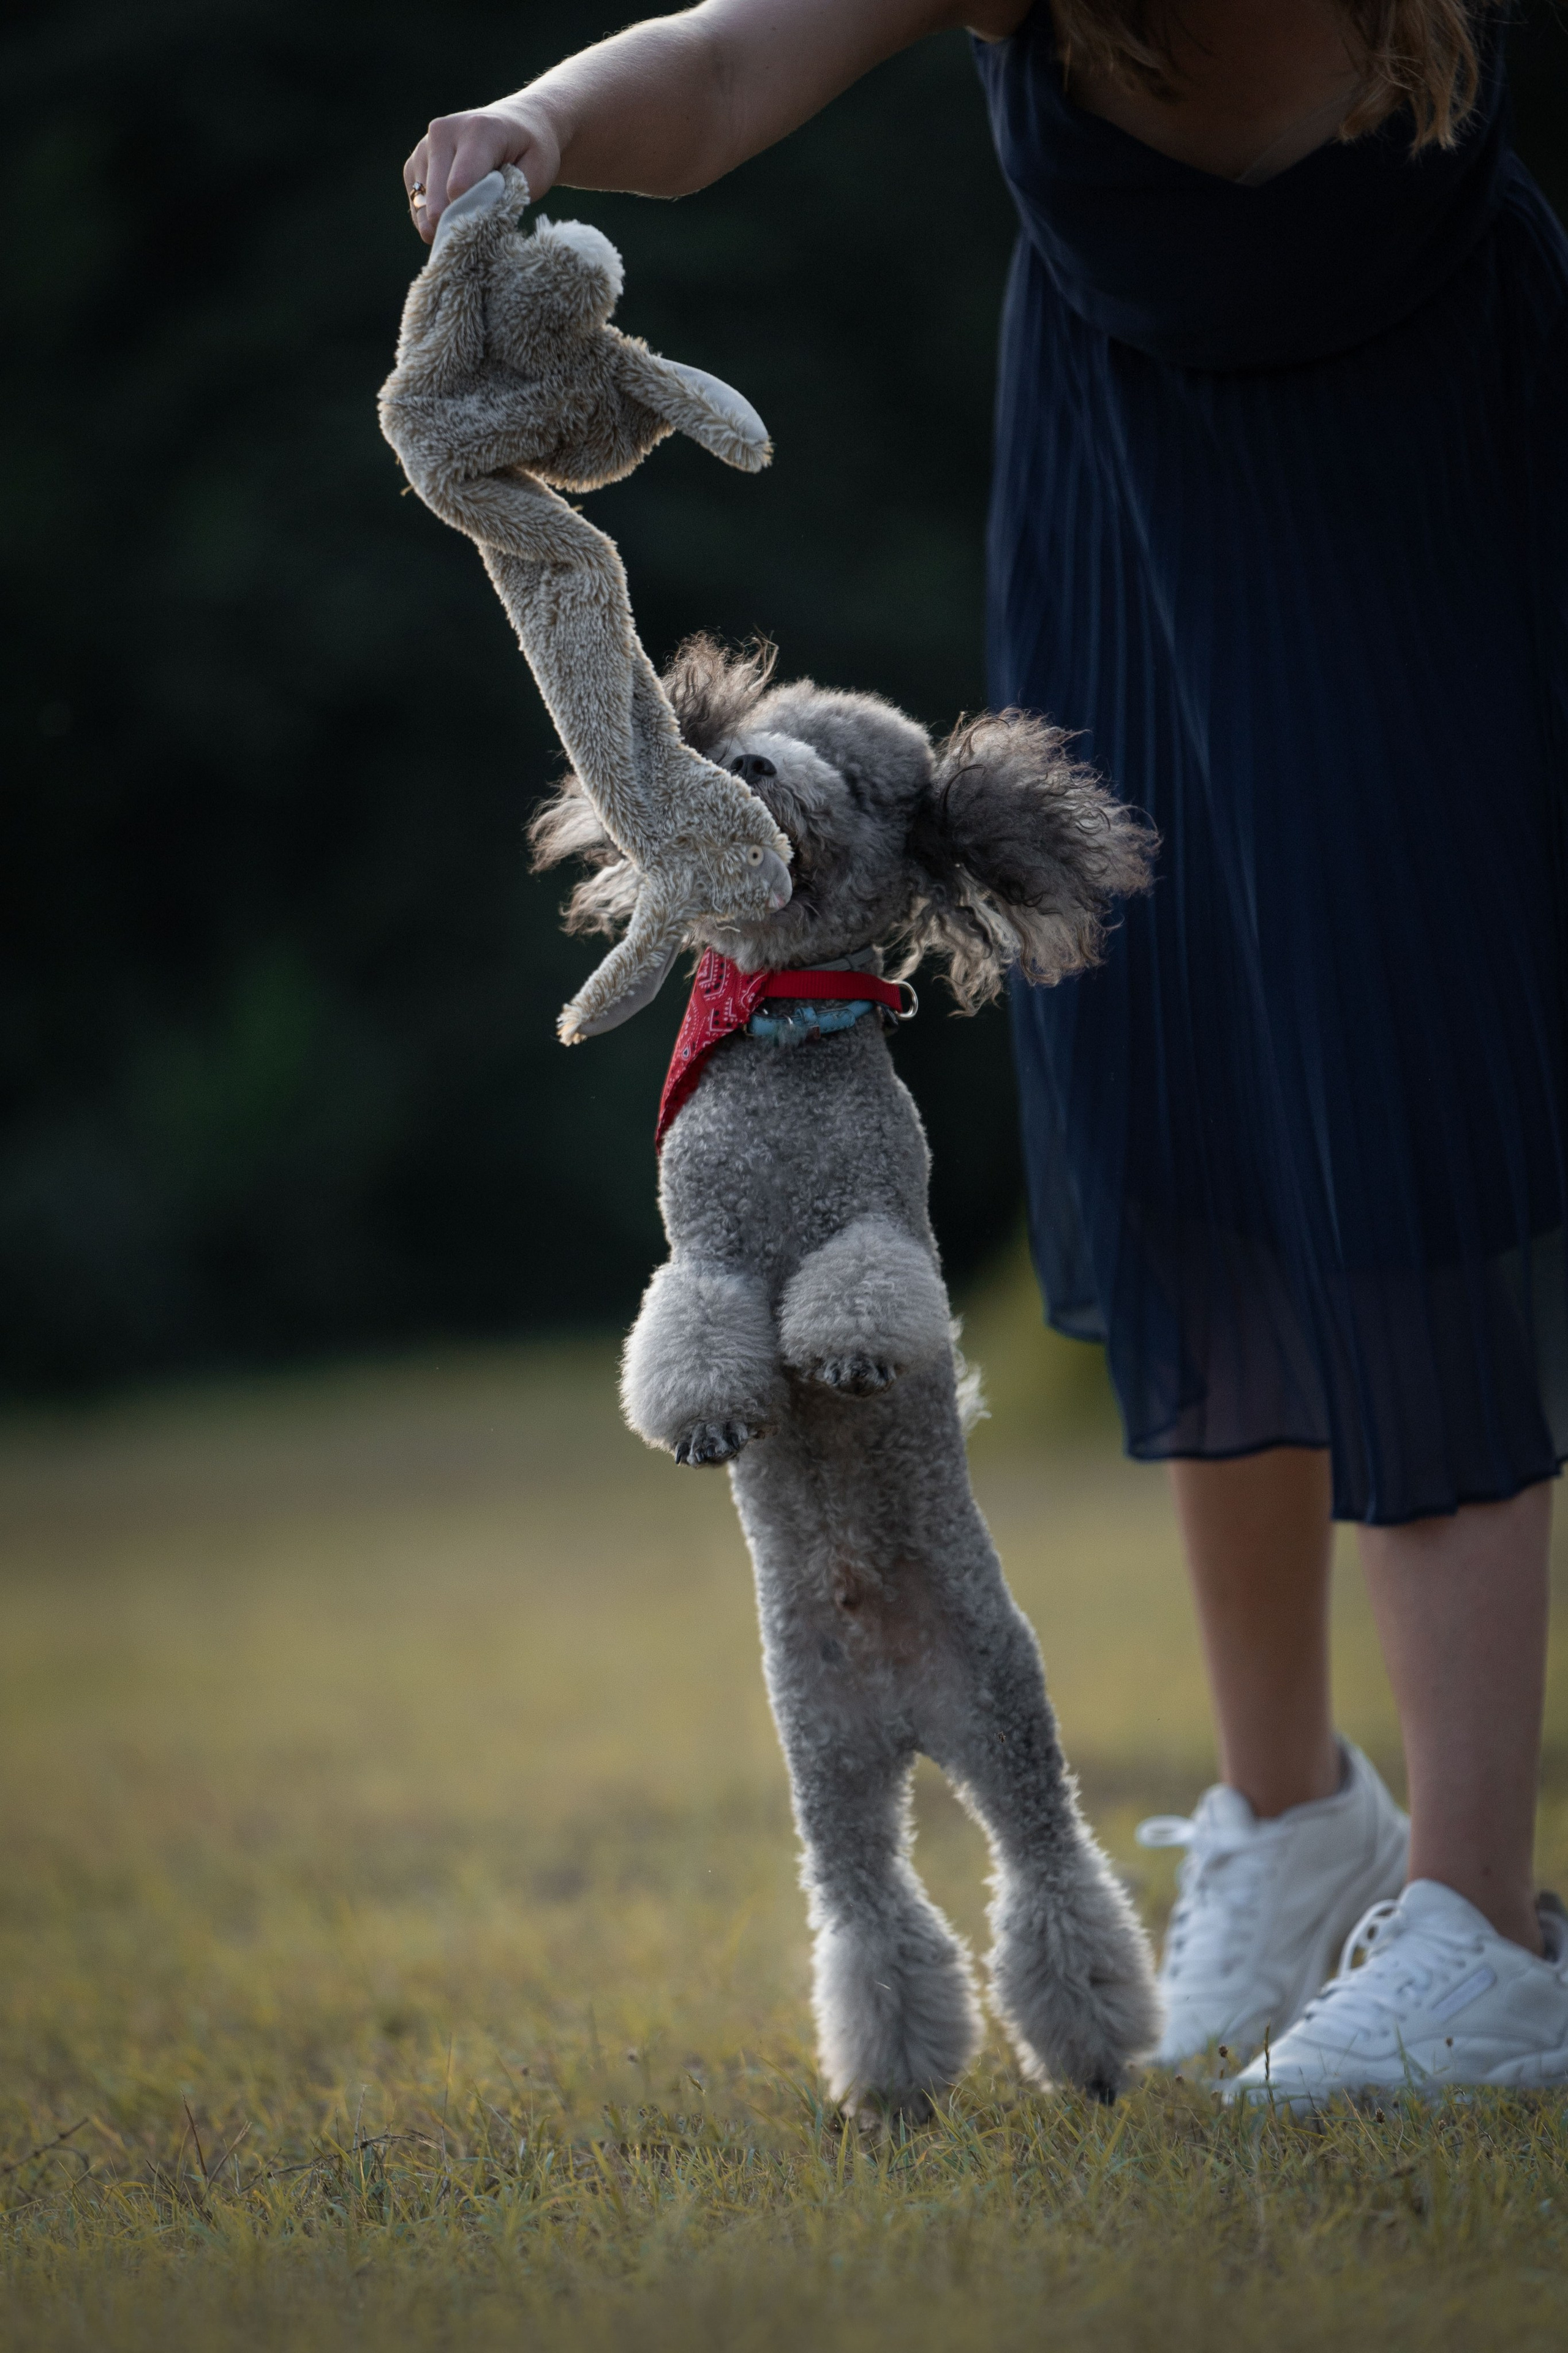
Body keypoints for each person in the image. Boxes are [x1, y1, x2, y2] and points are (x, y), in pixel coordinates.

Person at [404, 0, 1568, 2102]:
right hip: (1119, 471)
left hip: (1421, 467)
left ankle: (1486, 1927)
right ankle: (1296, 1823)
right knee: (1185, 1109)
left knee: (1392, 1124)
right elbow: (737, 59)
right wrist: (534, 126)